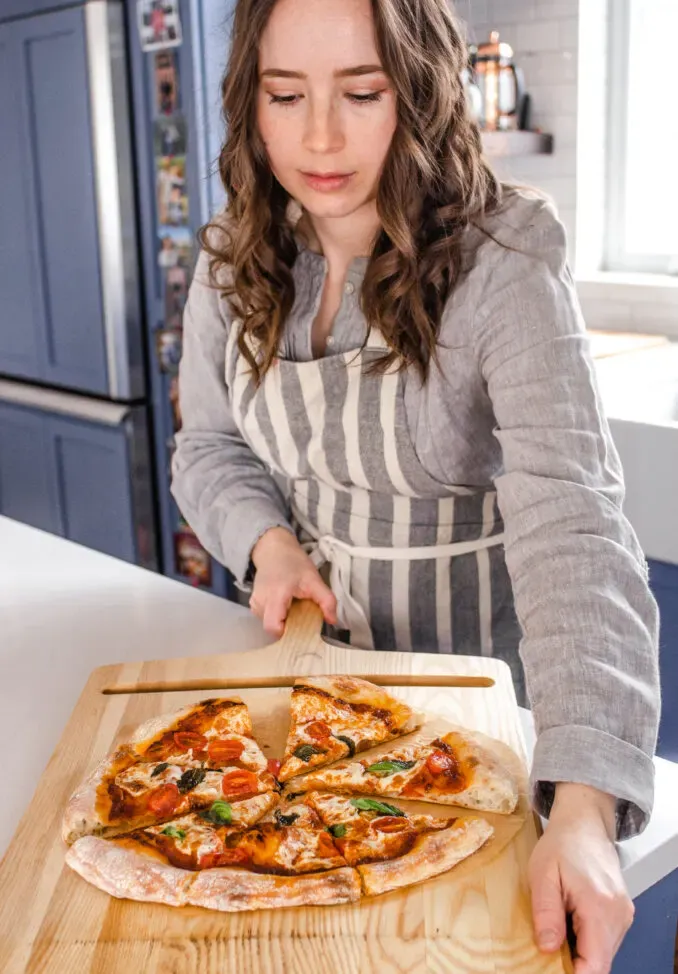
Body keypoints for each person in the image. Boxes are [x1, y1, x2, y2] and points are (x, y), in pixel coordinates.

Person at [171, 1, 660, 969]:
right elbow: (211, 447)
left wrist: (585, 805)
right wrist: (268, 544)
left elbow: (572, 518)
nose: (320, 136)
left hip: (487, 728)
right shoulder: (232, 259)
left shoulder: (504, 258)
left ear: (422, 92)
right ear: (249, 106)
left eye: (362, 91)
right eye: (285, 94)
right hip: (304, 692)